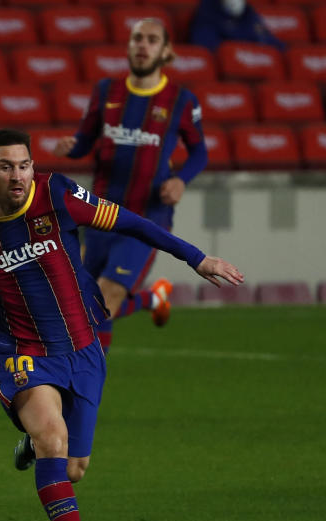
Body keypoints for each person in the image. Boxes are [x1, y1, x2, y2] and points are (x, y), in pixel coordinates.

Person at [0, 128, 242, 521]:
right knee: (53, 436)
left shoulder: (57, 195)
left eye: (24, 165)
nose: (17, 176)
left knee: (73, 467)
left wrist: (196, 257)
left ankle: (33, 446)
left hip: (83, 344)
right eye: (6, 167)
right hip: (24, 349)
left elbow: (132, 223)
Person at [53, 18, 207, 352]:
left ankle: (86, 391)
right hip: (100, 214)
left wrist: (181, 180)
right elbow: (85, 140)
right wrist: (72, 147)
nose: (142, 45)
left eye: (152, 40)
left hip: (147, 217)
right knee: (82, 306)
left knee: (105, 299)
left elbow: (199, 152)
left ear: (166, 51)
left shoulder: (180, 100)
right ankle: (153, 299)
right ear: (128, 46)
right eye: (137, 38)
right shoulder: (106, 91)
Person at [189, 0, 286, 53]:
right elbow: (206, 46)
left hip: (253, 71)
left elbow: (270, 41)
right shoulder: (207, 13)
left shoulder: (248, 13)